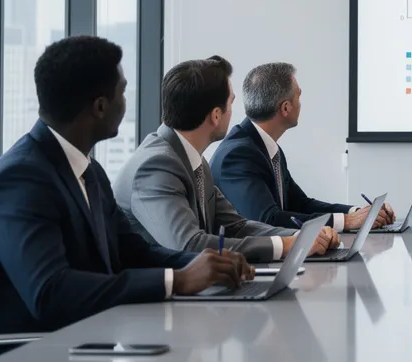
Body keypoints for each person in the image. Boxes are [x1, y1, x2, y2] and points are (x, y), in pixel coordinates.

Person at [0, 37, 248, 345]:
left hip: (87, 341)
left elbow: (133, 251)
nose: (126, 102)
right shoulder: (18, 180)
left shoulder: (89, 171)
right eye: (123, 92)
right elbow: (50, 292)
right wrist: (178, 280)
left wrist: (204, 263)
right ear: (100, 106)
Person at [114, 56, 339, 265]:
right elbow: (190, 245)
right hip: (151, 302)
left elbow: (236, 226)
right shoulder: (155, 167)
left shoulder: (193, 160)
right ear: (215, 115)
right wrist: (287, 245)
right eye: (231, 102)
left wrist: (300, 236)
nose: (235, 112)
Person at [211, 62, 394, 231]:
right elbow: (267, 220)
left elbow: (301, 204)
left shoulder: (266, 148)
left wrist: (357, 212)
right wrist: (346, 222)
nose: (300, 103)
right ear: (285, 108)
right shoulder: (237, 155)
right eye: (298, 95)